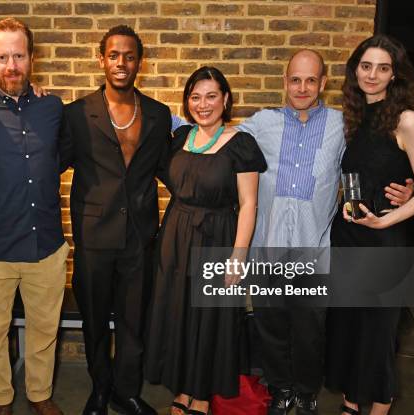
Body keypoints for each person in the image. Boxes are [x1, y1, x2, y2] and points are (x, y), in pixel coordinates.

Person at [236, 49, 414, 415]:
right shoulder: (260, 123)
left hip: (315, 249)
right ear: (285, 82)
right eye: (295, 79)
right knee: (270, 327)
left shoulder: (343, 125)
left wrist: (407, 187)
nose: (302, 87)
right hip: (267, 248)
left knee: (310, 332)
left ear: (323, 83)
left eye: (311, 80)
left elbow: (378, 158)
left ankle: (305, 391)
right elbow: (218, 139)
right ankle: (281, 389)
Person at [0, 18, 68, 415]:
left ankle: (40, 395)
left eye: (19, 55)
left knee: (44, 332)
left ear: (32, 58)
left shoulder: (53, 107)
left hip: (46, 246)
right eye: (2, 56)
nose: (11, 65)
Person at [60, 25, 171, 415]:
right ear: (101, 60)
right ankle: (100, 389)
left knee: (133, 323)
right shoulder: (76, 114)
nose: (121, 63)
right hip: (93, 237)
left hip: (140, 237)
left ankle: (127, 391)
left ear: (139, 62)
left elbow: (168, 168)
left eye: (129, 55)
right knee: (94, 322)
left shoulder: (158, 114)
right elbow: (51, 164)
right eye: (113, 55)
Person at [325, 35, 414, 415]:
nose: (373, 75)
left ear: (395, 76)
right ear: (355, 70)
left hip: (384, 244)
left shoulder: (406, 120)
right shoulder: (354, 117)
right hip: (349, 240)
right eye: (366, 66)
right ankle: (350, 404)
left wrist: (388, 216)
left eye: (383, 68)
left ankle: (376, 408)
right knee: (349, 330)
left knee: (376, 335)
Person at [145, 66, 266, 415]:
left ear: (225, 99)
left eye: (211, 95)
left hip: (219, 236)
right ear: (187, 102)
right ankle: (183, 389)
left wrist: (238, 256)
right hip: (176, 234)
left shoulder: (241, 143)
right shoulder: (181, 137)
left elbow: (248, 205)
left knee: (210, 318)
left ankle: (201, 395)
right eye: (195, 97)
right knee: (179, 314)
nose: (203, 104)